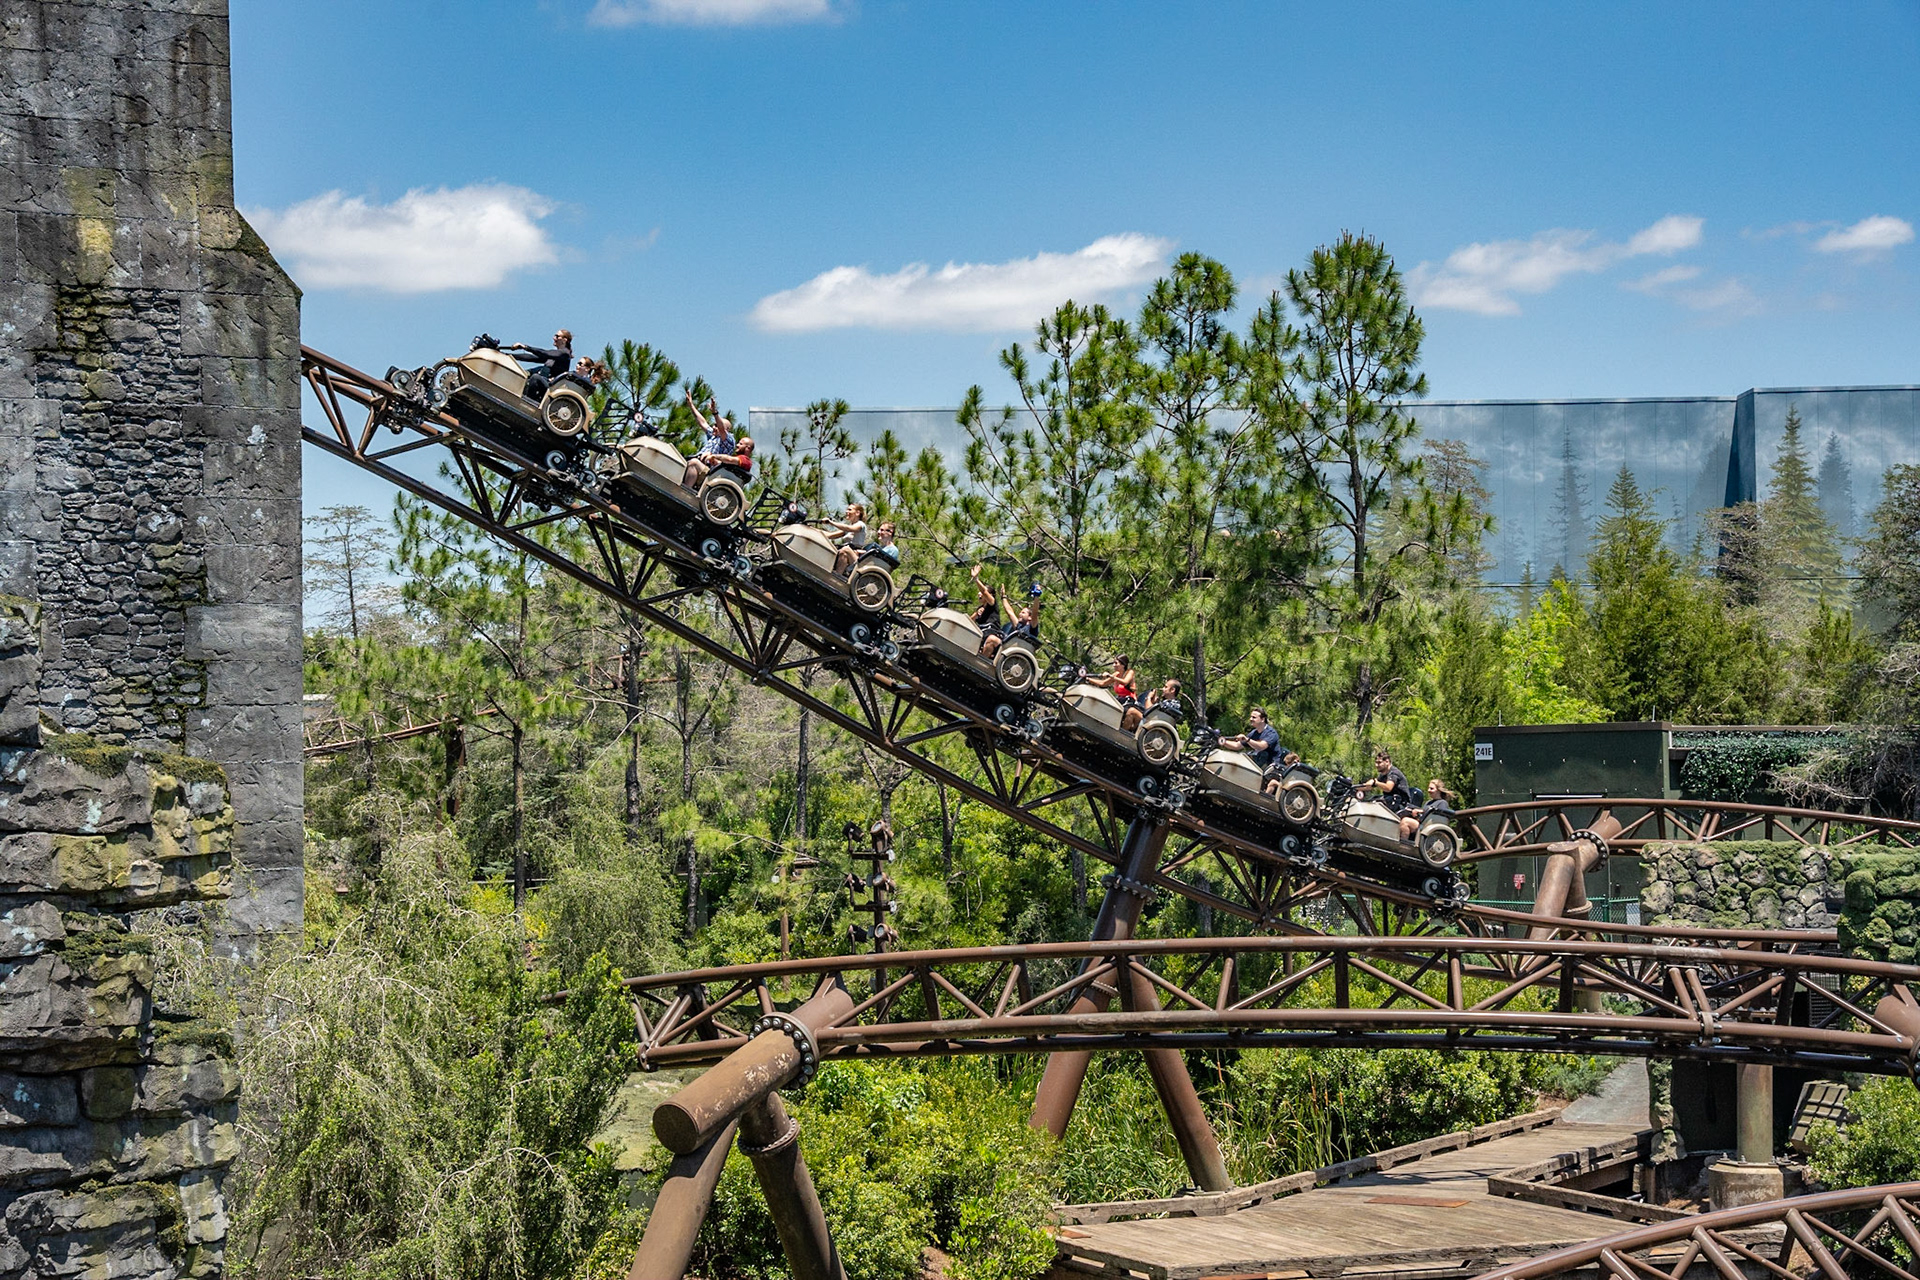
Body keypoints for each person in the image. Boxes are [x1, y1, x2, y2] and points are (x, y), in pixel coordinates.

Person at [503, 329, 573, 401]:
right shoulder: (554, 356)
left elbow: (544, 353)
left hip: (551, 387)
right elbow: (531, 357)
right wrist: (508, 355)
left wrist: (525, 347)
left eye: (557, 336)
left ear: (564, 340)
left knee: (535, 377)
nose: (554, 338)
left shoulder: (564, 354)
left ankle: (528, 401)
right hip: (545, 382)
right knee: (525, 373)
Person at [981, 587, 1040, 659]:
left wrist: (1036, 596)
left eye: (1023, 613)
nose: (1020, 614)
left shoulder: (1032, 628)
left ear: (1029, 617)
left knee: (992, 639)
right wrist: (1003, 597)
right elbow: (1010, 612)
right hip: (1007, 647)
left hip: (1016, 652)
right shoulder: (1019, 626)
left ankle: (981, 661)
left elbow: (1035, 613)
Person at [1218, 707, 1285, 770]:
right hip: (1259, 766)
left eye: (1254, 717)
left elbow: (1261, 746)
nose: (1251, 719)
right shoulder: (1254, 733)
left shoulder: (1271, 733)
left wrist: (1247, 740)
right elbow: (1237, 746)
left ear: (1262, 719)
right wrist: (1223, 741)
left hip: (1272, 767)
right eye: (1250, 717)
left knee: (1272, 782)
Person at [685, 434, 754, 490]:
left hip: (715, 479)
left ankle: (686, 490)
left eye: (741, 444)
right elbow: (727, 467)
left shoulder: (745, 460)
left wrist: (713, 456)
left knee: (694, 462)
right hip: (717, 477)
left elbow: (729, 459)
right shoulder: (739, 459)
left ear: (747, 448)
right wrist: (716, 462)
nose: (737, 445)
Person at [827, 503, 870, 573]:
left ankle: (838, 576)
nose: (847, 512)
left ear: (857, 513)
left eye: (849, 510)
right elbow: (830, 535)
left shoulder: (860, 525)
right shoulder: (849, 527)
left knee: (845, 550)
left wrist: (831, 523)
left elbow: (849, 528)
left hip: (855, 556)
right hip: (847, 552)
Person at [968, 564, 1003, 640]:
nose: (979, 594)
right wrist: (977, 614)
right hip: (980, 633)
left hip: (991, 633)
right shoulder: (980, 608)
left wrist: (976, 579)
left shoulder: (992, 603)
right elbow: (970, 621)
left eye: (981, 593)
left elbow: (984, 591)